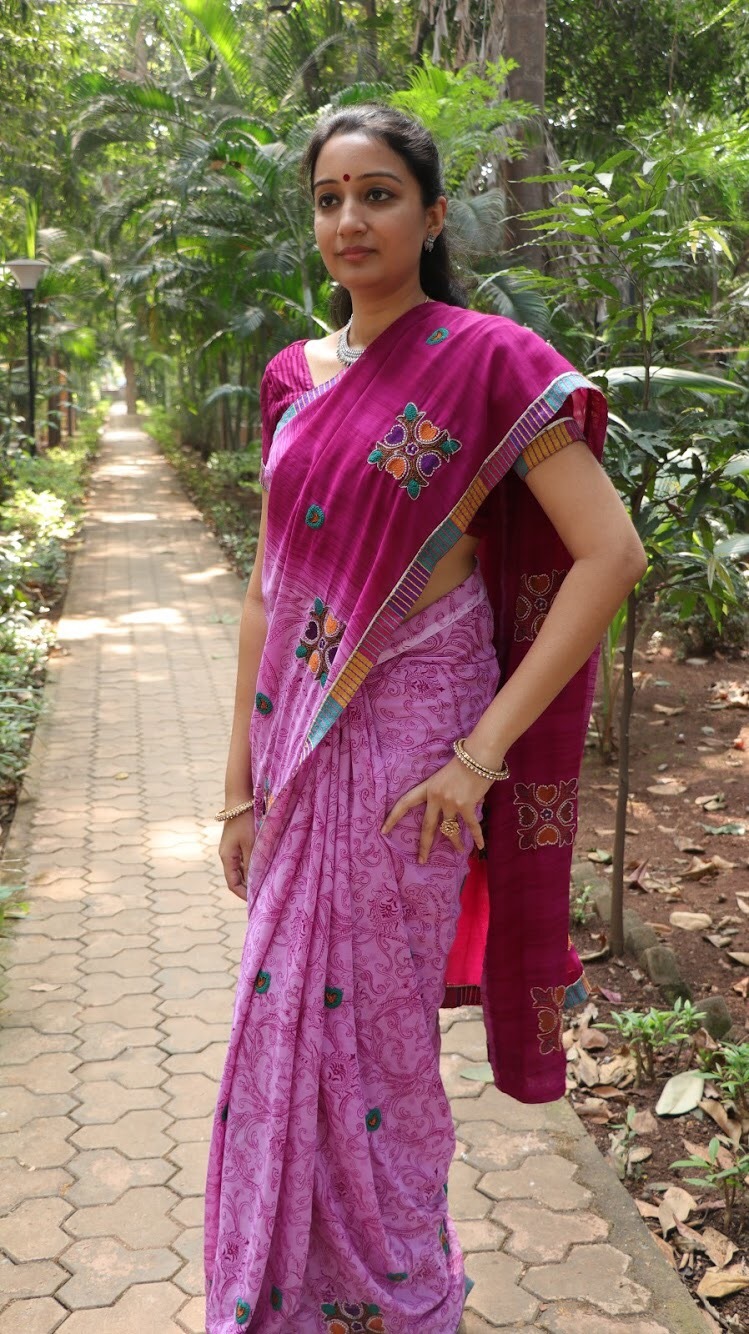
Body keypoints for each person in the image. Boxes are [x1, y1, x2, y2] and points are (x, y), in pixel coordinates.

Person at [203, 103, 646, 1334]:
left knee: (379, 1041)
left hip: (414, 753)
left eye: (378, 193)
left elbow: (609, 553)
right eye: (329, 197)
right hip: (297, 748)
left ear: (433, 214)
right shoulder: (291, 379)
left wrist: (477, 756)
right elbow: (267, 589)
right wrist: (236, 787)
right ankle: (279, 1285)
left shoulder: (487, 361)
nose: (349, 218)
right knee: (277, 1024)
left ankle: (396, 1294)